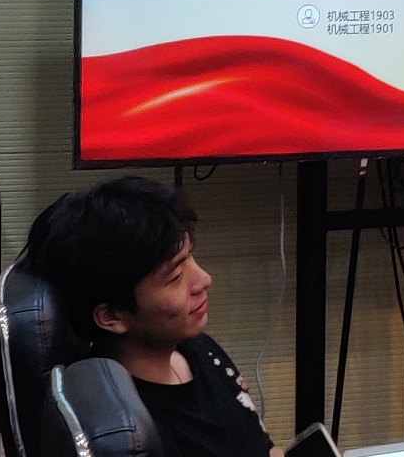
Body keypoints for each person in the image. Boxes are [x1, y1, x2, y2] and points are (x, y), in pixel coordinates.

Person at [22, 176, 283, 457]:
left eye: (190, 257)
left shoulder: (199, 348)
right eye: (175, 277)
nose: (204, 279)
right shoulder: (133, 434)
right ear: (112, 316)